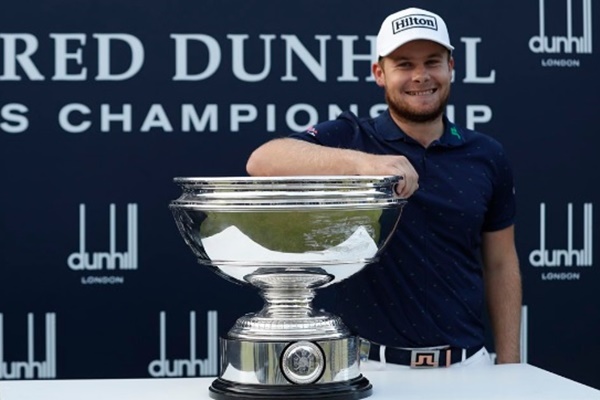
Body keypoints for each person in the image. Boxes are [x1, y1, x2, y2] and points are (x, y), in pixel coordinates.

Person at [246, 7, 521, 368]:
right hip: (369, 369)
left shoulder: (486, 154)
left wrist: (512, 367)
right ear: (380, 73)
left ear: (451, 66)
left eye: (432, 62)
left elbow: (501, 263)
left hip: (469, 365)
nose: (420, 76)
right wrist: (366, 164)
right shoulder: (353, 136)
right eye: (404, 64)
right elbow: (263, 161)